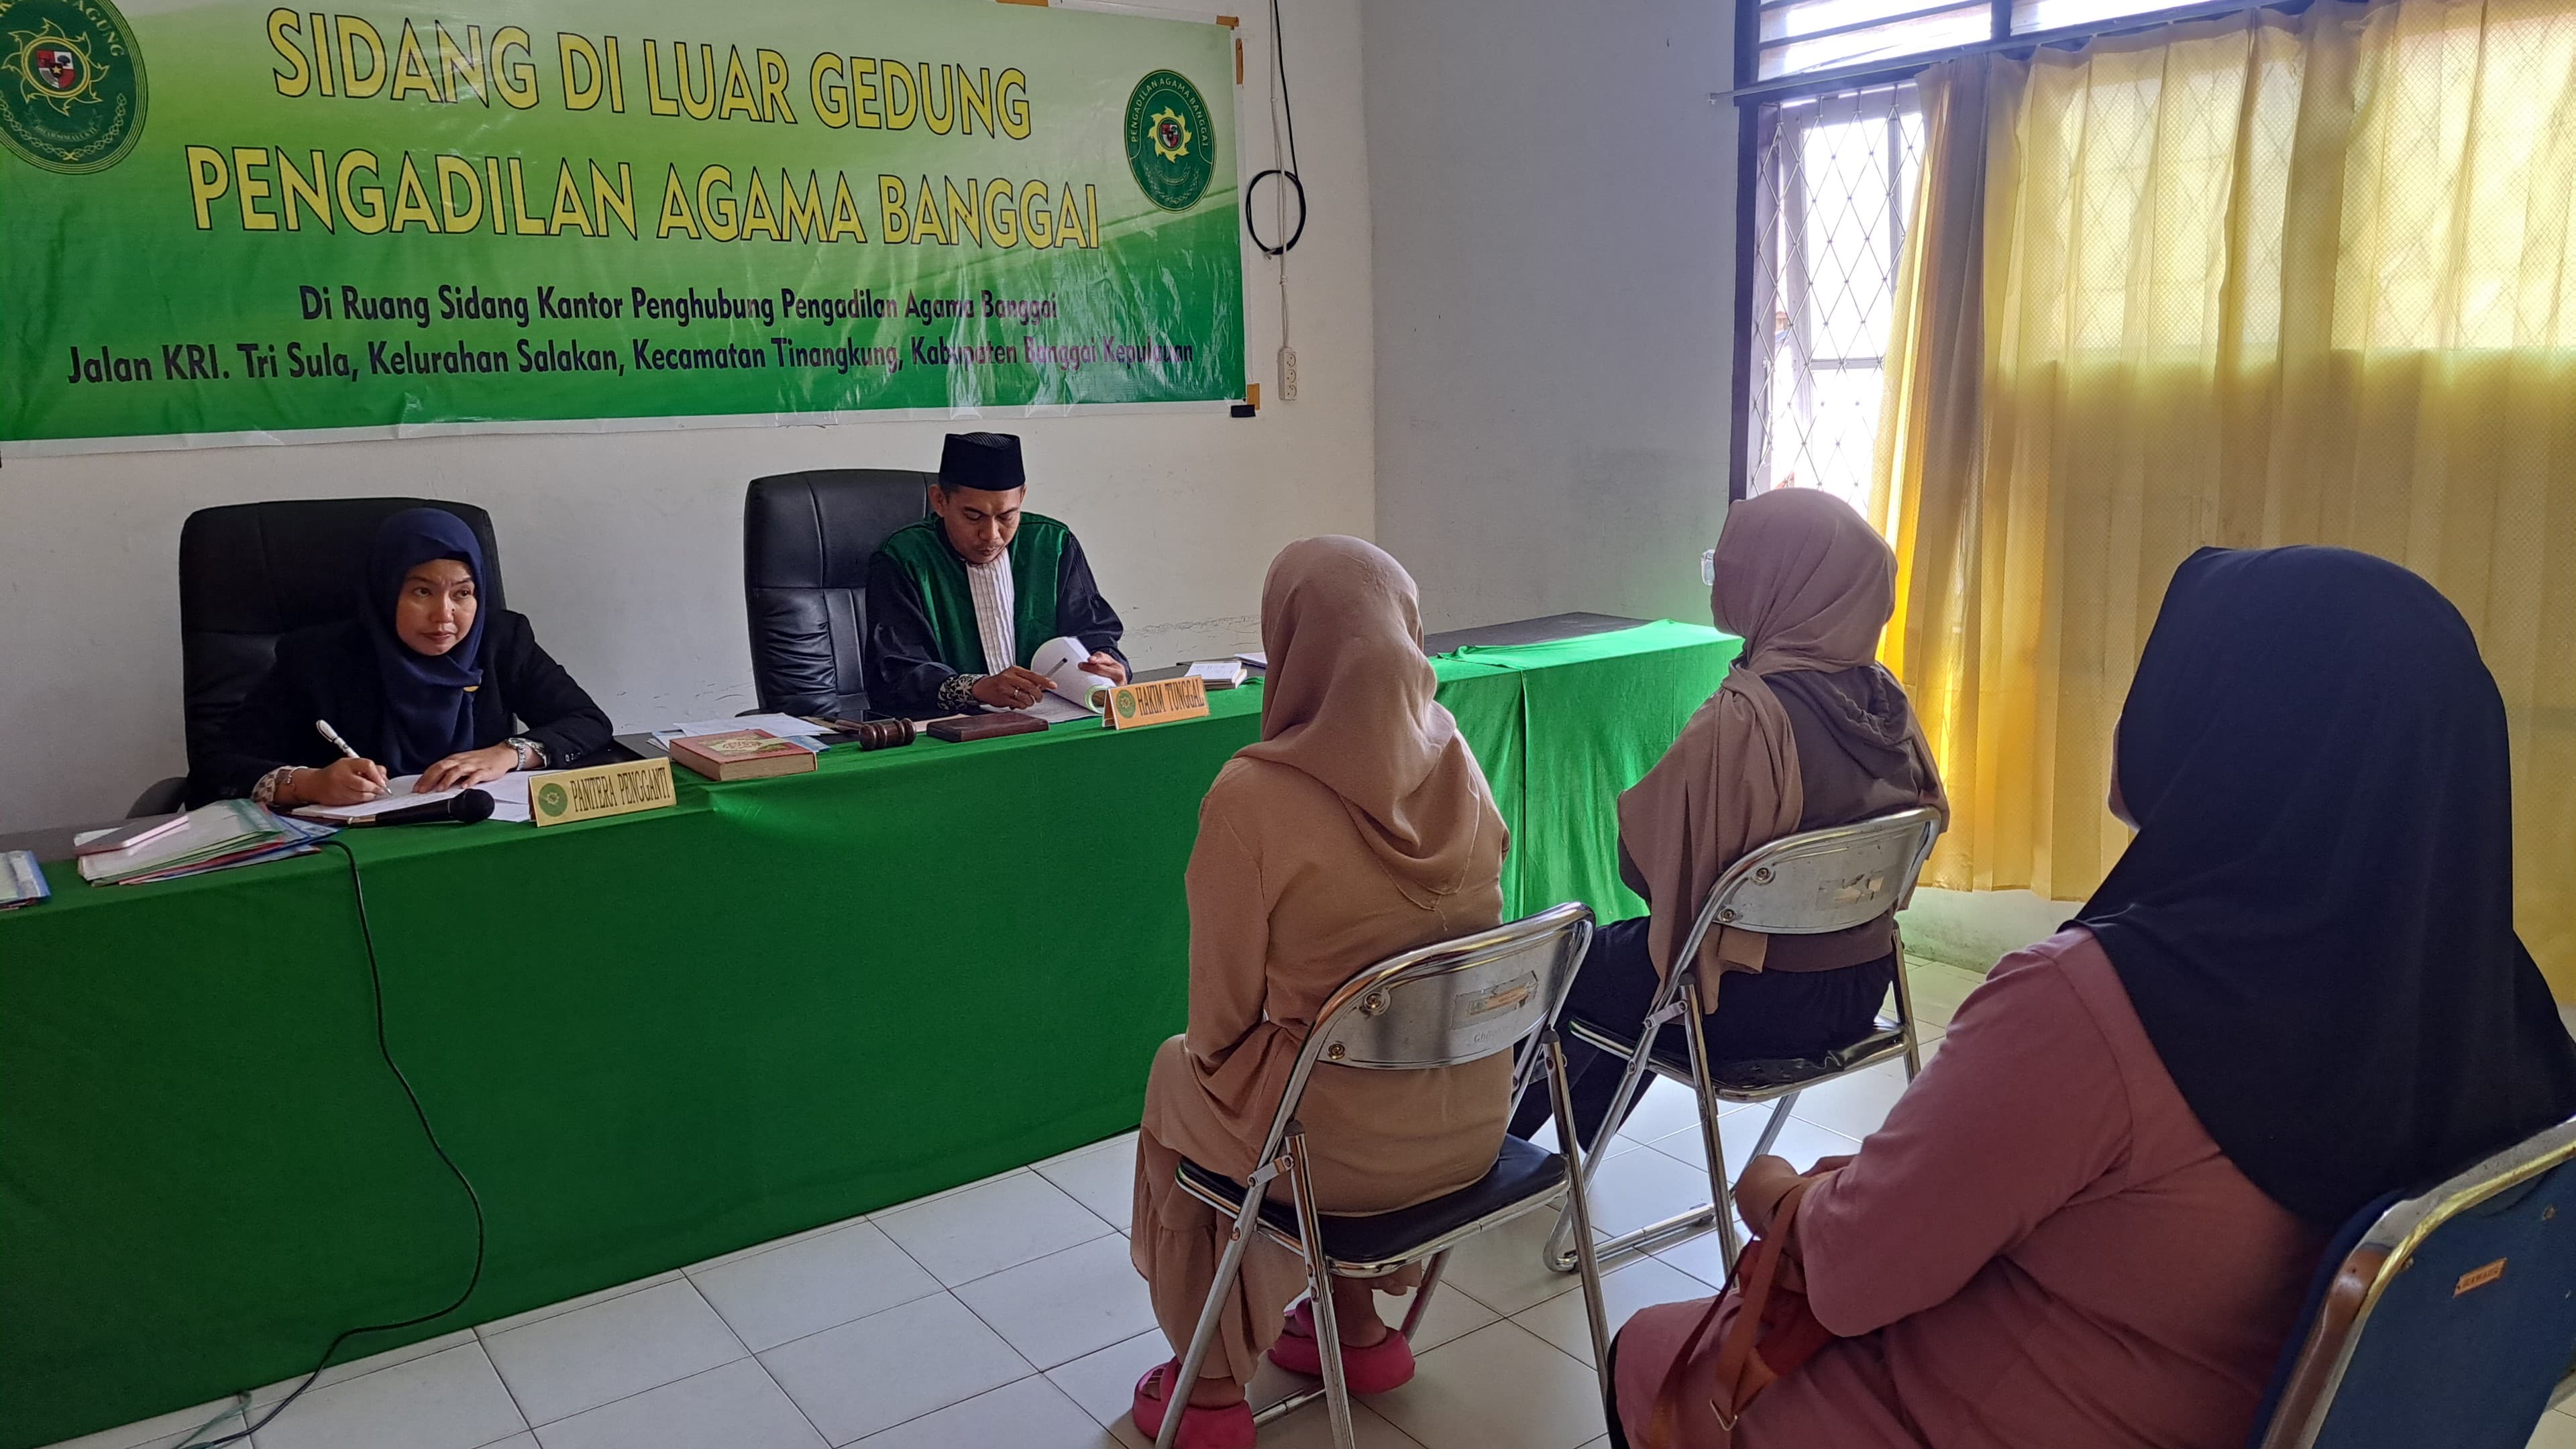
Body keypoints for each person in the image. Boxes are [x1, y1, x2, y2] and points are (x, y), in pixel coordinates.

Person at [1608, 545, 2576, 1449]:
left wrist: (1777, 1195)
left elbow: (1856, 1276)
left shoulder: (2096, 1007)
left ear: (2227, 732)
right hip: (2236, 1408)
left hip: (1997, 1411)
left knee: (1651, 1346)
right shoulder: (2495, 1005)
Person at [1128, 537, 1512, 1449]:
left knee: (1185, 1078)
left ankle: (1214, 1380)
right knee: (1337, 1064)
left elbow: (1222, 1022)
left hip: (1328, 1156)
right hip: (1473, 1126)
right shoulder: (1458, 756)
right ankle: (1358, 1326)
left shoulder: (1251, 796)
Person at [1511, 488, 1944, 1151]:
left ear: (1781, 582)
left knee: (1564, 961)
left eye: (1735, 562)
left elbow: (1649, 867)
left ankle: (1506, 1153)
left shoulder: (1747, 718)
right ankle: (1575, 1149)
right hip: (1861, 986)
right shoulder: (1889, 703)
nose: (1723, 576)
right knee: (1633, 969)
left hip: (1748, 1005)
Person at [194, 508, 613, 809]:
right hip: (358, 851)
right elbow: (218, 767)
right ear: (385, 590)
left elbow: (587, 722)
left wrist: (508, 754)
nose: (444, 615)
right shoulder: (316, 658)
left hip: (480, 835)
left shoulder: (502, 639)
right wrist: (308, 784)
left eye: (463, 593)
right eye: (422, 592)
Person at [862, 431, 1126, 716]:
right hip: (949, 736)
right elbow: (897, 673)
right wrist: (977, 688)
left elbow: (1094, 632)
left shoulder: (1053, 544)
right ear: (940, 501)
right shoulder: (903, 558)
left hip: (1049, 727)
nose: (991, 535)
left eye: (1006, 517)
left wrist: (1107, 665)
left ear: (1022, 497)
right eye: (973, 517)